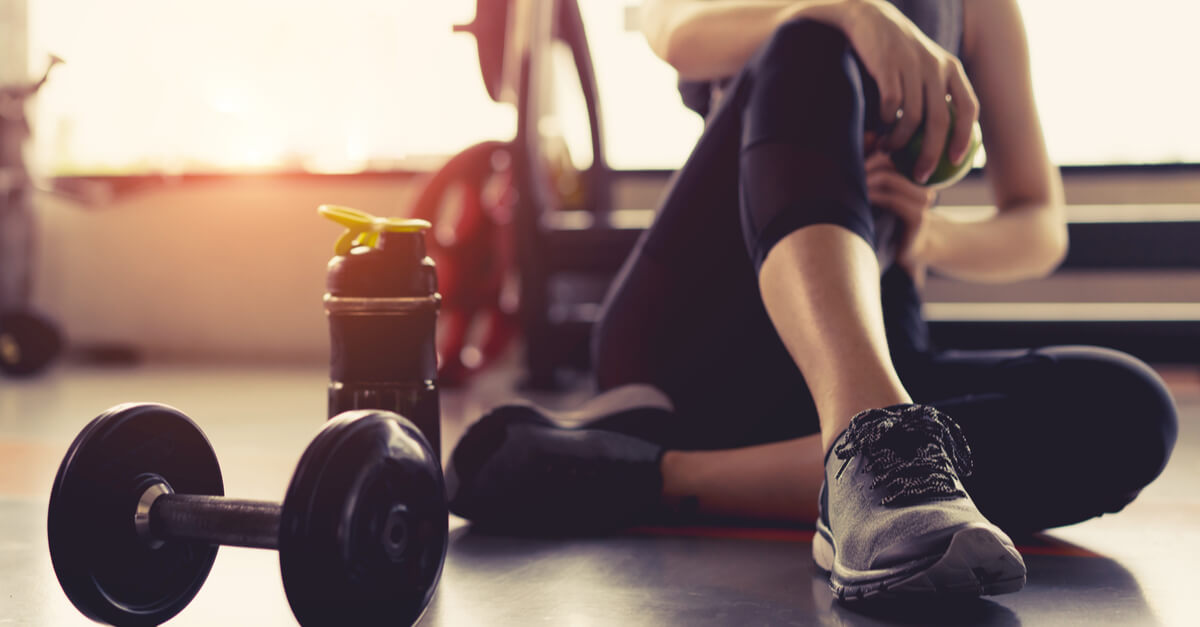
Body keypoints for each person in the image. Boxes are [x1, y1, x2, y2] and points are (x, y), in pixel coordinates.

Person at [445, 0, 1178, 601]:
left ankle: (653, 473)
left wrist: (933, 241)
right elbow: (676, 35)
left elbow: (1038, 224)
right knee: (810, 41)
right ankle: (874, 437)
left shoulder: (981, 9)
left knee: (1130, 409)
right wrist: (853, 13)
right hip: (698, 341)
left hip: (880, 341)